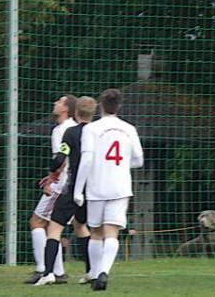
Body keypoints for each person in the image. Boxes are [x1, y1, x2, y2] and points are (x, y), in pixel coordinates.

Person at [73, 88, 144, 291]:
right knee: (112, 231)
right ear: (119, 106)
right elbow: (139, 160)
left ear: (100, 105)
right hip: (120, 186)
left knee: (95, 231)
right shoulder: (129, 129)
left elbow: (86, 160)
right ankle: (104, 271)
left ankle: (95, 273)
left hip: (97, 186)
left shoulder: (91, 129)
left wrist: (78, 190)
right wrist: (121, 165)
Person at [33, 96, 97, 286]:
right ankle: (90, 270)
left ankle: (49, 272)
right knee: (81, 226)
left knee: (54, 228)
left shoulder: (69, 132)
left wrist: (52, 174)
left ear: (76, 112)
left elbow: (60, 158)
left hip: (71, 188)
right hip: (92, 189)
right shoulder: (97, 132)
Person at [24, 95, 78, 284]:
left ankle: (42, 269)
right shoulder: (76, 128)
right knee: (55, 227)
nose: (55, 103)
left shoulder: (60, 130)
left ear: (65, 109)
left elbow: (61, 160)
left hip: (61, 185)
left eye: (60, 102)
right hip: (75, 184)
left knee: (37, 222)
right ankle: (58, 271)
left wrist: (51, 180)